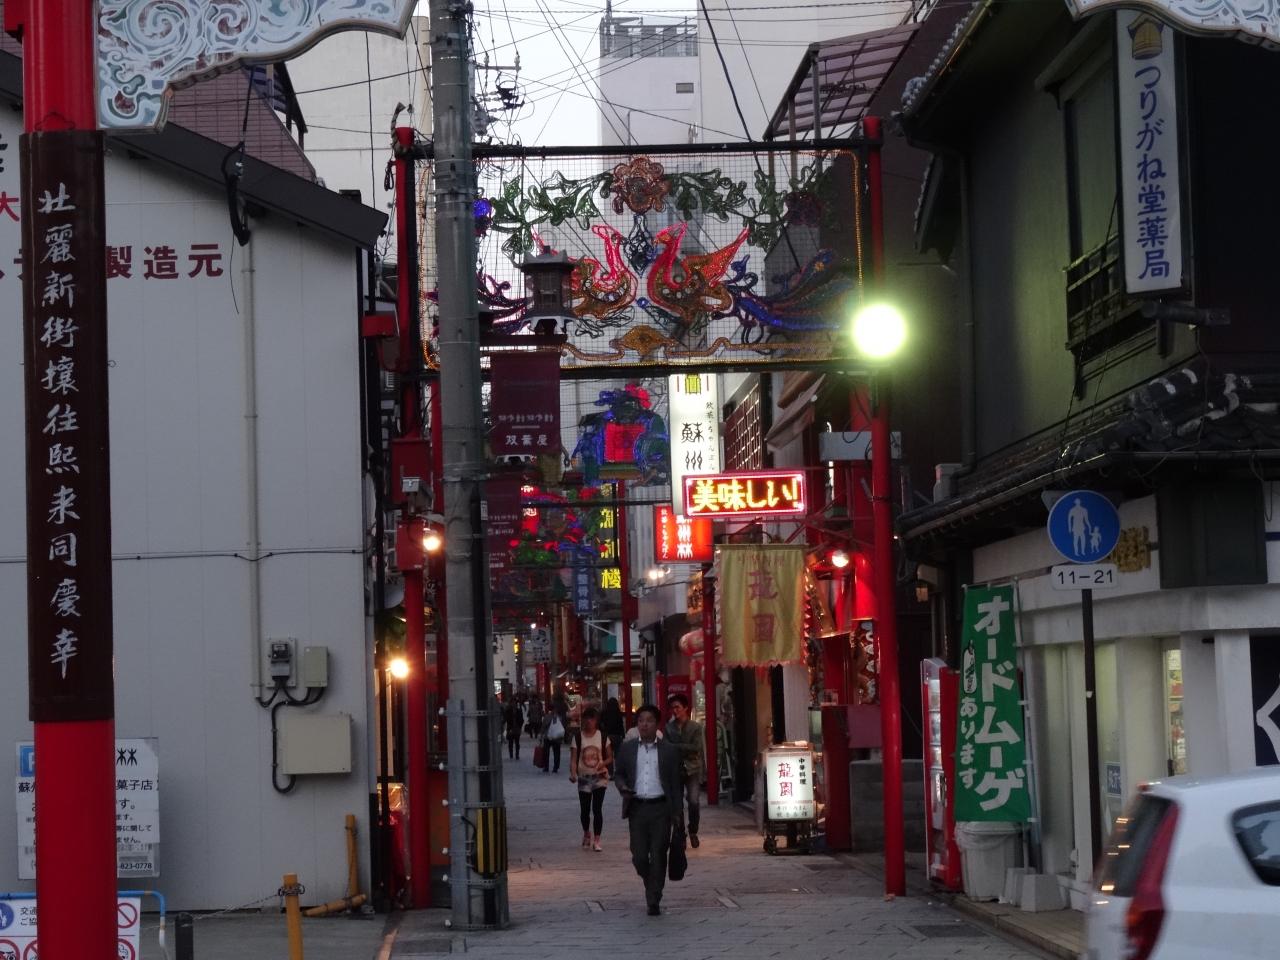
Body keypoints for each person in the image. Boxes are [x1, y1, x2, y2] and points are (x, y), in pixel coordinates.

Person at [614, 703, 682, 916]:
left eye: (649, 721)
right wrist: (622, 787)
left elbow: (676, 784)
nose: (644, 724)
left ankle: (654, 897)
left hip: (661, 808)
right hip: (637, 807)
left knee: (659, 852)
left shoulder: (669, 751)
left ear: (657, 724)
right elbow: (619, 773)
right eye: (641, 721)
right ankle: (650, 881)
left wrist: (678, 813)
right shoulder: (627, 748)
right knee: (639, 856)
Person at [570, 706, 613, 851]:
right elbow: (574, 759)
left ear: (596, 721)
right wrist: (573, 773)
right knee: (585, 809)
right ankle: (586, 833)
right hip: (584, 777)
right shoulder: (577, 737)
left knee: (597, 808)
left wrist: (603, 763)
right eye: (587, 718)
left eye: (592, 719)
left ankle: (597, 840)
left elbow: (610, 757)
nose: (589, 721)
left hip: (600, 777)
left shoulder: (603, 737)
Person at [665, 693, 705, 848]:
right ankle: (680, 833)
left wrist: (676, 747)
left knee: (694, 801)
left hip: (692, 768)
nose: (675, 711)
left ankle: (693, 830)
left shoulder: (695, 727)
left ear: (685, 708)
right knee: (677, 804)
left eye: (678, 707)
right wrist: (682, 749)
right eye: (672, 708)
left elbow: (696, 748)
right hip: (675, 768)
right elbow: (666, 748)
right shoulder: (669, 728)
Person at [542, 698, 568, 773]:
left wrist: (541, 735)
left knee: (548, 752)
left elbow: (543, 726)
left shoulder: (548, 717)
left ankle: (548, 767)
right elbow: (562, 726)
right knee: (555, 752)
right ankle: (554, 767)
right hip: (555, 737)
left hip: (549, 737)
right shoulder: (558, 717)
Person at [600, 696, 625, 770]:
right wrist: (623, 735)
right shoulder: (618, 713)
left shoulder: (604, 712)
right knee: (618, 755)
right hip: (617, 736)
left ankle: (610, 771)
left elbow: (601, 724)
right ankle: (618, 770)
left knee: (608, 755)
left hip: (607, 736)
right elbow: (621, 725)